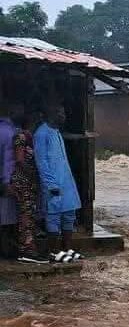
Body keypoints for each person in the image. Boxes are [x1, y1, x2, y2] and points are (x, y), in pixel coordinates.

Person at [34, 104, 82, 263]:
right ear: (50, 114)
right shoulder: (42, 133)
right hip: (53, 184)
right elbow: (41, 162)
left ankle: (67, 250)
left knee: (69, 215)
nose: (63, 116)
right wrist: (50, 185)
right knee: (53, 217)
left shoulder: (56, 132)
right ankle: (54, 252)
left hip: (66, 182)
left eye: (63, 112)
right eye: (59, 113)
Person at [9, 106, 48, 263]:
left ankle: (27, 247)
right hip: (23, 182)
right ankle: (27, 249)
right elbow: (19, 160)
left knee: (29, 214)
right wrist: (33, 175)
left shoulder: (31, 137)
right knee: (26, 215)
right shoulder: (21, 136)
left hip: (28, 182)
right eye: (38, 119)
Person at [0, 103, 18, 254]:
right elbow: (8, 159)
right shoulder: (9, 132)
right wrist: (7, 182)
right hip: (5, 181)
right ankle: (6, 252)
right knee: (6, 219)